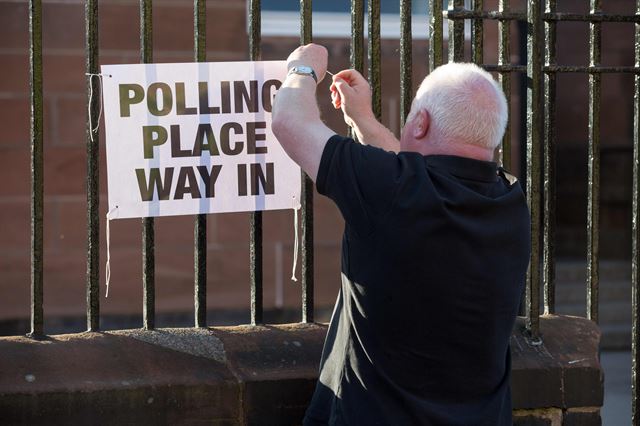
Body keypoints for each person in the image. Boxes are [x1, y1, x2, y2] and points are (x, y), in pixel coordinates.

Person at [271, 43, 530, 426]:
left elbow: (289, 122)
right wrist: (363, 120)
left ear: (421, 123)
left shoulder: (395, 191)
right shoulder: (511, 204)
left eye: (411, 119)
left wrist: (303, 68)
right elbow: (416, 182)